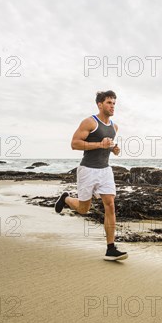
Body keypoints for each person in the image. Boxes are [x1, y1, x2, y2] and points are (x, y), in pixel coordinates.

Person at [54, 90, 127, 261]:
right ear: (100, 104)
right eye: (109, 103)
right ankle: (65, 199)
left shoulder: (114, 127)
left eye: (114, 103)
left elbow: (106, 146)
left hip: (105, 170)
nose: (112, 106)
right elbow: (75, 144)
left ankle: (111, 248)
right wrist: (100, 144)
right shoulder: (89, 122)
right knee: (84, 209)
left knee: (110, 204)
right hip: (87, 170)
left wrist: (113, 149)